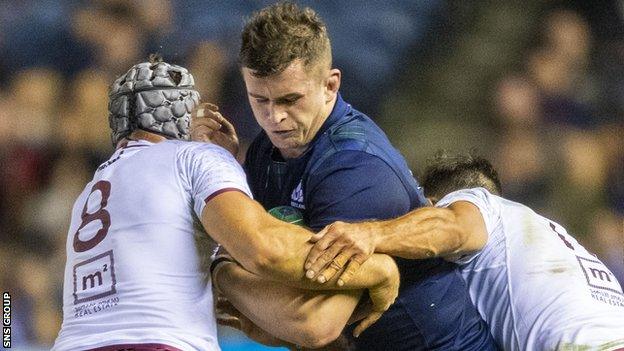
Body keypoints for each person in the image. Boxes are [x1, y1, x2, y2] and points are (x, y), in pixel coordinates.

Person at [194, 2, 497, 350]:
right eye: (259, 99)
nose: (275, 117)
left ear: (330, 85)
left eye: (291, 99)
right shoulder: (265, 151)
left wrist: (221, 271)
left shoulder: (354, 168)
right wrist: (224, 167)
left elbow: (314, 325)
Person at [51, 57, 400, 351]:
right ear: (183, 113)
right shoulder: (194, 157)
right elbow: (266, 249)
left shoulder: (91, 187)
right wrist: (378, 268)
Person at [306, 153, 624, 351]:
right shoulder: (558, 243)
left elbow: (452, 229)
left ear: (431, 203)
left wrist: (371, 233)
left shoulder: (480, 205)